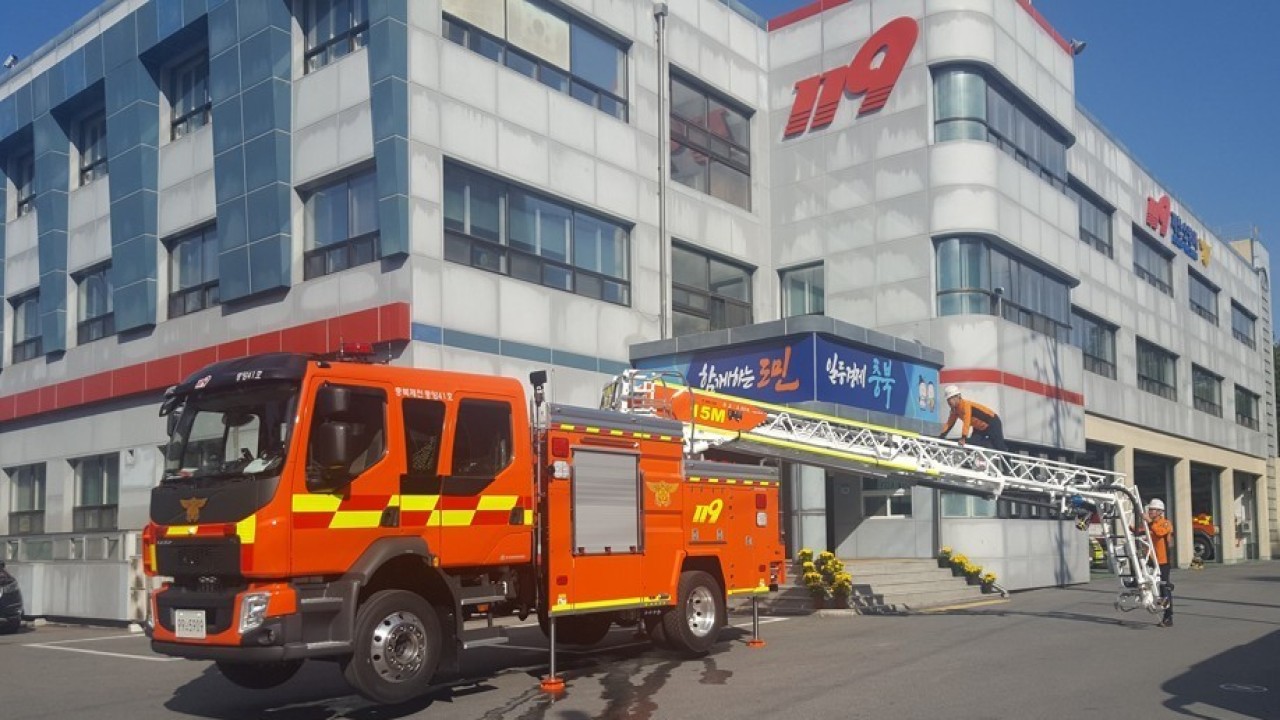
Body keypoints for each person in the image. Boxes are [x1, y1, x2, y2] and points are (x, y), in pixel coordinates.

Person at [938, 385, 1009, 452]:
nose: (949, 402)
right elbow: (949, 423)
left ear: (958, 396)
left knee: (999, 445)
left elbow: (967, 420)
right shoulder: (954, 410)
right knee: (972, 443)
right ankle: (988, 446)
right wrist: (941, 436)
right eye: (948, 399)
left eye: (951, 398)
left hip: (992, 422)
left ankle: (1007, 460)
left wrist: (963, 437)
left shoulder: (965, 405)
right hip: (979, 427)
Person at [1139, 497, 1174, 627]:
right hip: (1152, 560)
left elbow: (1159, 532)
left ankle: (1168, 616)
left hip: (1163, 561)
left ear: (1160, 512)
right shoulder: (1149, 524)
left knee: (1164, 588)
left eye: (1152, 509)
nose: (1150, 511)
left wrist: (1148, 522)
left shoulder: (1165, 523)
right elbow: (1139, 531)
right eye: (1150, 509)